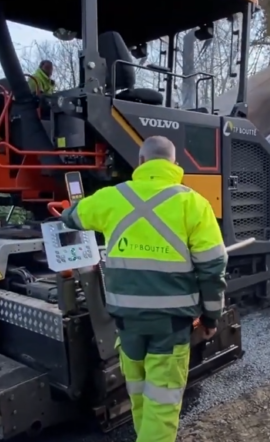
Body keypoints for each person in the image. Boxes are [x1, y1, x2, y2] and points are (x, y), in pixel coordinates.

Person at [59, 135, 227, 442]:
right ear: (174, 165)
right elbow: (213, 267)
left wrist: (68, 210)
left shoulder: (111, 197)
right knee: (161, 405)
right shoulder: (194, 203)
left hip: (127, 323)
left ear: (141, 163)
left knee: (138, 395)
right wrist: (211, 318)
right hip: (171, 326)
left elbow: (71, 217)